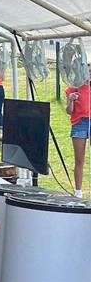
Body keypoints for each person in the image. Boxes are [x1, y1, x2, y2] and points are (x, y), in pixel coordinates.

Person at [66, 64, 91, 198]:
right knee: (79, 159)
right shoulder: (74, 88)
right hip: (79, 123)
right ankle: (78, 191)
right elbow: (69, 111)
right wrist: (71, 100)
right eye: (88, 71)